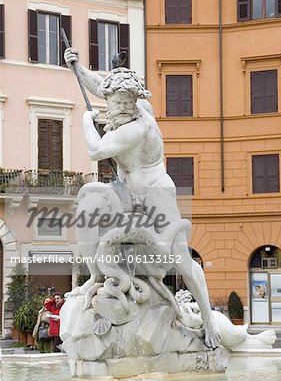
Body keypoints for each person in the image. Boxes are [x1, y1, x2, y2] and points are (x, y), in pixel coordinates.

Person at [64, 48, 220, 349]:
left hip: (154, 192)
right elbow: (102, 87)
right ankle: (98, 277)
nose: (119, 108)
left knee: (181, 260)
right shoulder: (124, 104)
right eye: (115, 102)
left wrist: (86, 120)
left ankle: (209, 322)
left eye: (125, 103)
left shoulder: (138, 125)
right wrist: (78, 68)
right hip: (125, 191)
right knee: (91, 212)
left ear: (135, 101)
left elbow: (97, 150)